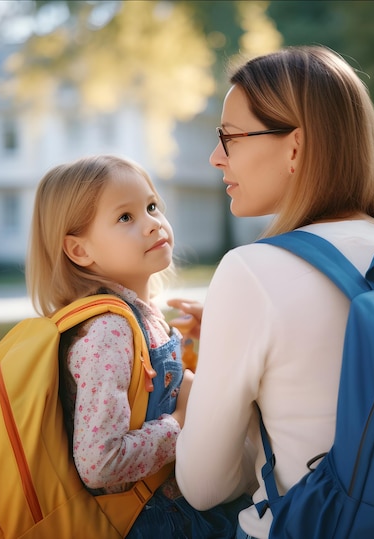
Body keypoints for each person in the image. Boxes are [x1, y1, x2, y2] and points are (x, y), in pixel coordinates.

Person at [171, 46, 374, 539]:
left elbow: (204, 485)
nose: (216, 156)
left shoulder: (251, 271)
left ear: (294, 147)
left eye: (230, 137)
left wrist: (210, 394)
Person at [27, 154, 249, 538]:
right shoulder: (108, 331)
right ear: (80, 251)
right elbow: (100, 462)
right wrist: (180, 422)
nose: (152, 224)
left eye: (151, 206)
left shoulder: (137, 318)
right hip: (155, 521)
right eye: (125, 217)